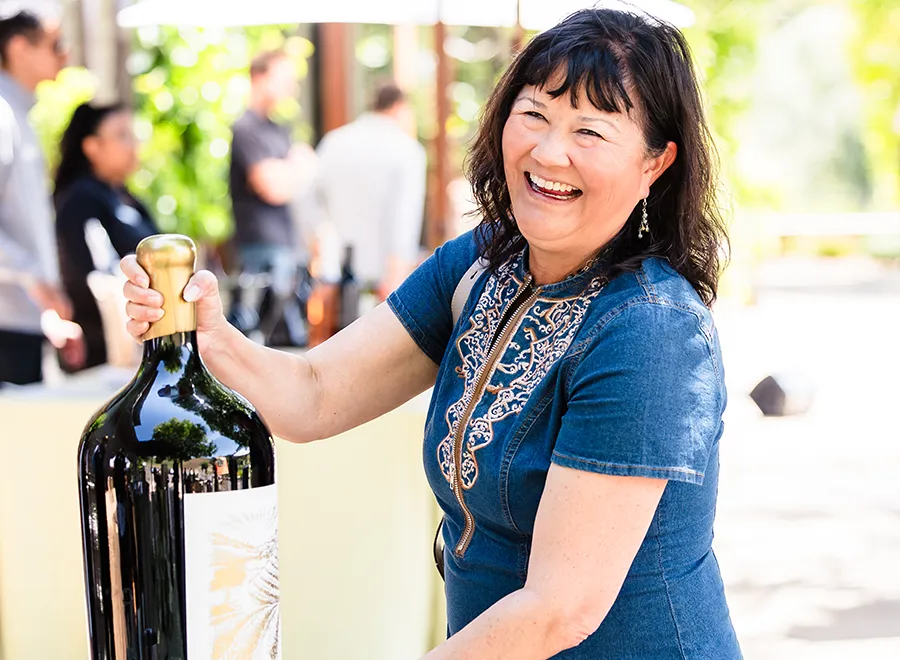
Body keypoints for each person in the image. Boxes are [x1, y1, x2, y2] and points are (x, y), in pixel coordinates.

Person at [123, 9, 741, 659]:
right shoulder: (479, 263)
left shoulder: (652, 332)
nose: (550, 152)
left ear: (656, 162)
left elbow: (560, 607)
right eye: (534, 115)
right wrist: (209, 333)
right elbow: (313, 393)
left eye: (590, 130)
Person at [0, 9, 83, 385]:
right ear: (18, 47)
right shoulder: (3, 114)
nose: (65, 55)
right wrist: (36, 281)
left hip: (22, 322)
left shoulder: (17, 113)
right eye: (56, 44)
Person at [53, 102, 157, 370]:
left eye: (134, 135)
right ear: (92, 147)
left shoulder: (127, 197)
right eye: (122, 135)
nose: (133, 145)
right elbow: (91, 278)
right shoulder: (81, 199)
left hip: (139, 341)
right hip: (104, 352)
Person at [229, 49, 313, 345]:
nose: (291, 87)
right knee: (260, 336)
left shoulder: (279, 130)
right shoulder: (245, 129)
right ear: (259, 78)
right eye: (284, 78)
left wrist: (290, 171)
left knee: (288, 340)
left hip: (287, 244)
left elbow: (295, 179)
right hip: (259, 249)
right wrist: (297, 167)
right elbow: (272, 187)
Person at [312, 82, 426, 298]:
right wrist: (397, 274)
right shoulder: (407, 150)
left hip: (332, 274)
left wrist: (317, 253)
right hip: (382, 279)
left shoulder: (333, 142)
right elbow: (404, 217)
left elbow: (310, 200)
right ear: (399, 107)